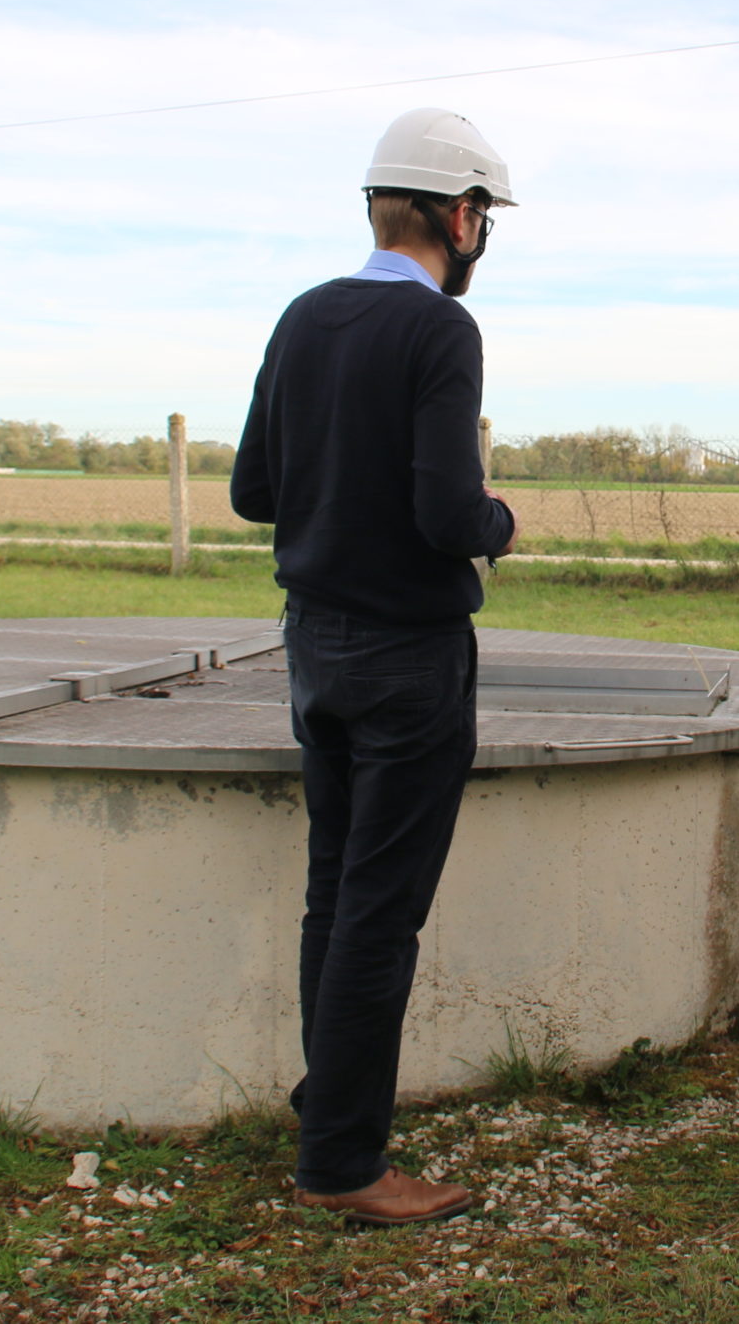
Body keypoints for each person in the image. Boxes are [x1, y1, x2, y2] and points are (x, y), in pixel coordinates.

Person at [228, 107, 520, 1228]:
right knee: (379, 915)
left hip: (314, 645)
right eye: (483, 216)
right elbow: (447, 511)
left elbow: (256, 490)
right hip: (408, 657)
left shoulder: (305, 317)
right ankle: (345, 1161)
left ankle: (328, 1106)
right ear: (461, 215)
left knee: (332, 891)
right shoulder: (441, 333)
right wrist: (498, 521)